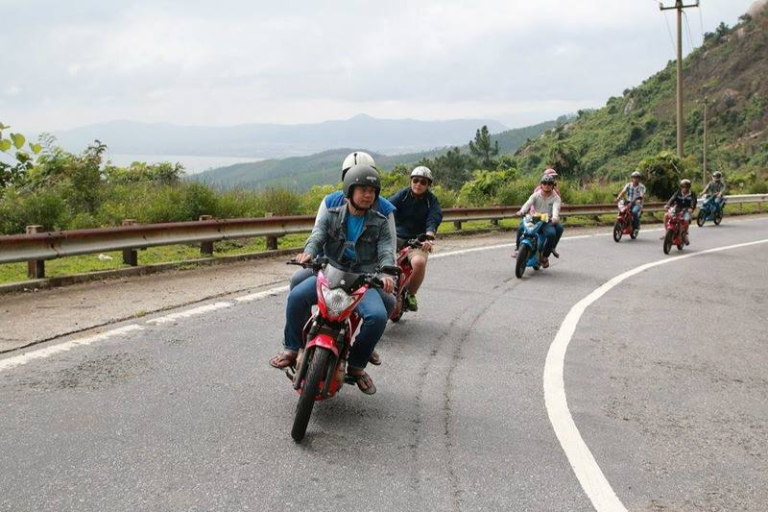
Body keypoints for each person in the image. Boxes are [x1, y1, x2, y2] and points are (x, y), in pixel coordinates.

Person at [270, 165, 396, 395]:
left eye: (373, 191)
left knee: (377, 316)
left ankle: (357, 365)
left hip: (362, 279)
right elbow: (317, 235)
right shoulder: (332, 214)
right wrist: (308, 252)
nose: (368, 195)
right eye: (363, 189)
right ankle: (291, 348)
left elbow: (387, 249)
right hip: (330, 273)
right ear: (349, 190)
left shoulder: (379, 223)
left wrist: (387, 273)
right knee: (296, 297)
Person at [387, 166, 443, 311]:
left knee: (419, 262)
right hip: (396, 238)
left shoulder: (432, 201)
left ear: (428, 185)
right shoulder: (402, 195)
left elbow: (433, 219)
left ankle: (411, 294)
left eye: (423, 182)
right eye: (415, 180)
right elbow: (386, 207)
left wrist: (428, 238)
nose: (418, 184)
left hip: (417, 241)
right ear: (410, 181)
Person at [515, 174, 563, 268]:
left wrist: (554, 217)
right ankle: (517, 248)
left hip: (547, 220)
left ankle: (545, 256)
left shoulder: (556, 198)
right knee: (521, 228)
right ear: (541, 185)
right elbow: (528, 203)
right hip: (535, 218)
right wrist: (522, 211)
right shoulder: (536, 195)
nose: (547, 185)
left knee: (551, 234)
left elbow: (556, 208)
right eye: (544, 183)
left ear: (553, 185)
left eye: (549, 183)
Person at [665, 178, 697, 245]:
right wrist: (668, 204)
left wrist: (691, 208)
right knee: (666, 215)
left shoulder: (692, 194)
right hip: (677, 208)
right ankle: (667, 231)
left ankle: (684, 234)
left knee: (686, 220)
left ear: (689, 187)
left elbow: (693, 202)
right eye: (683, 186)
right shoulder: (678, 192)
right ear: (681, 187)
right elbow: (672, 198)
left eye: (686, 187)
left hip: (687, 209)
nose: (684, 188)